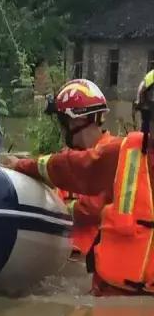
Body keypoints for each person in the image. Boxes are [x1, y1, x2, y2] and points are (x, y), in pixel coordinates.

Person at [3, 71, 154, 297]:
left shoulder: (119, 153)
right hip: (110, 293)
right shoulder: (123, 153)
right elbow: (70, 166)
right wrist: (23, 167)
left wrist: (60, 205)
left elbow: (89, 197)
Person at [44, 80, 120, 256]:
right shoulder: (65, 160)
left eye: (63, 122)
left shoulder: (114, 155)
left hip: (91, 261)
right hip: (65, 258)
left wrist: (61, 209)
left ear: (76, 122)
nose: (62, 129)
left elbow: (95, 208)